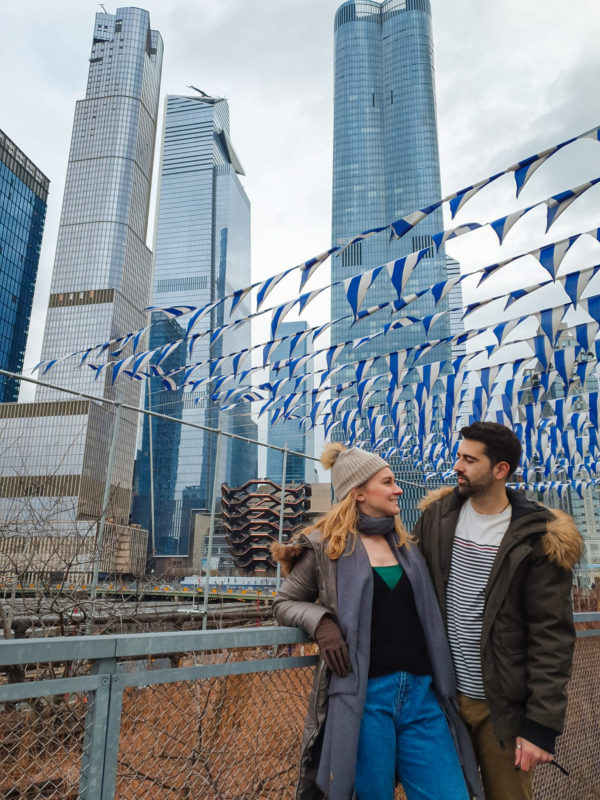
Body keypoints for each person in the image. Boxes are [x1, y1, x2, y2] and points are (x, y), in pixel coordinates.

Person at [272, 442, 483, 800]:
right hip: (365, 698)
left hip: (422, 695)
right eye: (387, 482)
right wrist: (322, 622)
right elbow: (284, 602)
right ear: (358, 493)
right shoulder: (325, 547)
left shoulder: (406, 545)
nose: (397, 489)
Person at [414, 421, 583, 800]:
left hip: (501, 710)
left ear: (500, 470)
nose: (457, 466)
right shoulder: (438, 517)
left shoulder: (537, 536)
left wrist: (540, 726)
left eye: (469, 460)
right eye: (459, 456)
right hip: (441, 699)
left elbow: (552, 637)